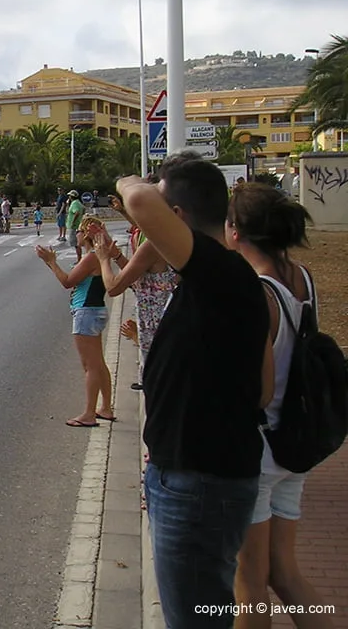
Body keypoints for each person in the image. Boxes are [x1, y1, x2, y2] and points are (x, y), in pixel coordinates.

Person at [116, 152, 270, 628]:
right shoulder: (224, 281)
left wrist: (131, 179)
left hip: (197, 485)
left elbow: (137, 197)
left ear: (175, 218)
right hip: (199, 478)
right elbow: (262, 391)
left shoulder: (218, 274)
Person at [227, 184, 333, 629]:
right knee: (284, 573)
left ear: (235, 232)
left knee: (249, 585)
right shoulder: (302, 276)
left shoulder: (257, 292)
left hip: (261, 450)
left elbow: (258, 391)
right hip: (295, 443)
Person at [92, 195, 179, 392]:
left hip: (158, 331)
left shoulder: (153, 243)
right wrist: (115, 255)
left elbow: (113, 287)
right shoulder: (167, 238)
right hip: (155, 330)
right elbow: (138, 279)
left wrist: (104, 258)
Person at [35, 216, 114, 427]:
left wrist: (51, 262)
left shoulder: (90, 258)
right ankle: (105, 407)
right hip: (94, 309)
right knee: (98, 363)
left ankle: (89, 413)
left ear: (86, 234)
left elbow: (67, 282)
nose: (75, 235)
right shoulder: (97, 256)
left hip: (86, 312)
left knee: (90, 365)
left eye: (78, 231)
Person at [65, 190, 85, 259]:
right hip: (76, 225)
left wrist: (73, 222)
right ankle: (79, 258)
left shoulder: (74, 203)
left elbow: (77, 212)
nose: (69, 197)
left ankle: (79, 259)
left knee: (76, 244)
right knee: (76, 244)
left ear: (71, 196)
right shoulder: (78, 202)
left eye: (69, 196)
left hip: (74, 226)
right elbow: (83, 209)